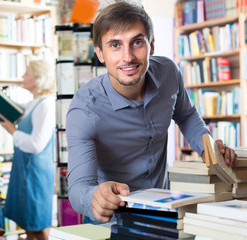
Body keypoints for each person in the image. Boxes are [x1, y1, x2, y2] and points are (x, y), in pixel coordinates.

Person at [65, 2, 237, 223]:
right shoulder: (84, 109)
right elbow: (79, 187)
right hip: (113, 219)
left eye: (137, 42)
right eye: (115, 45)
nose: (127, 57)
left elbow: (185, 114)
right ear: (100, 53)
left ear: (151, 45)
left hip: (164, 209)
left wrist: (208, 149)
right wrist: (94, 198)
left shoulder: (168, 73)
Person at [0, 59, 56, 240]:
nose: (22, 76)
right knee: (30, 224)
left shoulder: (46, 105)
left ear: (38, 79)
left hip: (35, 173)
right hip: (26, 170)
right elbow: (5, 105)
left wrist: (12, 131)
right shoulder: (33, 104)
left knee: (39, 224)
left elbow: (36, 144)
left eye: (27, 73)